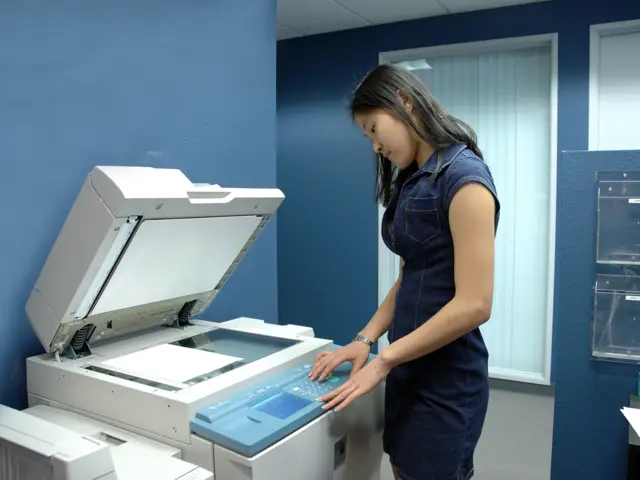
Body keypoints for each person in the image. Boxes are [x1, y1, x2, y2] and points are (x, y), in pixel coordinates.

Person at [308, 64, 500, 480]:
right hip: (408, 366)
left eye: (374, 129)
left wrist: (384, 361)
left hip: (447, 380)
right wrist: (365, 340)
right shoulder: (415, 179)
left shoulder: (466, 181)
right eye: (368, 137)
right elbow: (409, 277)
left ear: (405, 104)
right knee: (401, 466)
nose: (375, 146)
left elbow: (475, 304)